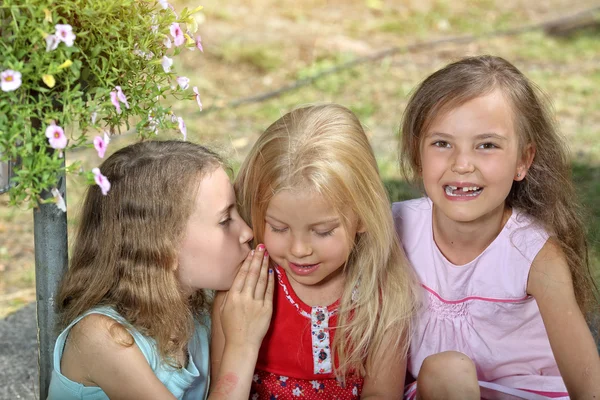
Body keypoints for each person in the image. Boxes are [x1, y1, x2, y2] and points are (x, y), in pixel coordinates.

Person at [394, 55, 600, 400]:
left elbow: (588, 384)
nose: (462, 164)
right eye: (442, 143)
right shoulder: (394, 228)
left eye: (486, 145)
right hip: (440, 390)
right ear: (418, 154)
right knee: (445, 370)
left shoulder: (533, 254)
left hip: (527, 393)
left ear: (523, 160)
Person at [210, 103, 419, 399]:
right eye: (279, 228)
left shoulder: (382, 295)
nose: (298, 250)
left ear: (362, 216)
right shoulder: (244, 292)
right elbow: (224, 388)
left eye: (322, 231)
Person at [47, 140, 274, 400]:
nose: (247, 232)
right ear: (164, 249)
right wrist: (242, 344)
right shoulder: (102, 338)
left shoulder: (196, 311)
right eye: (225, 221)